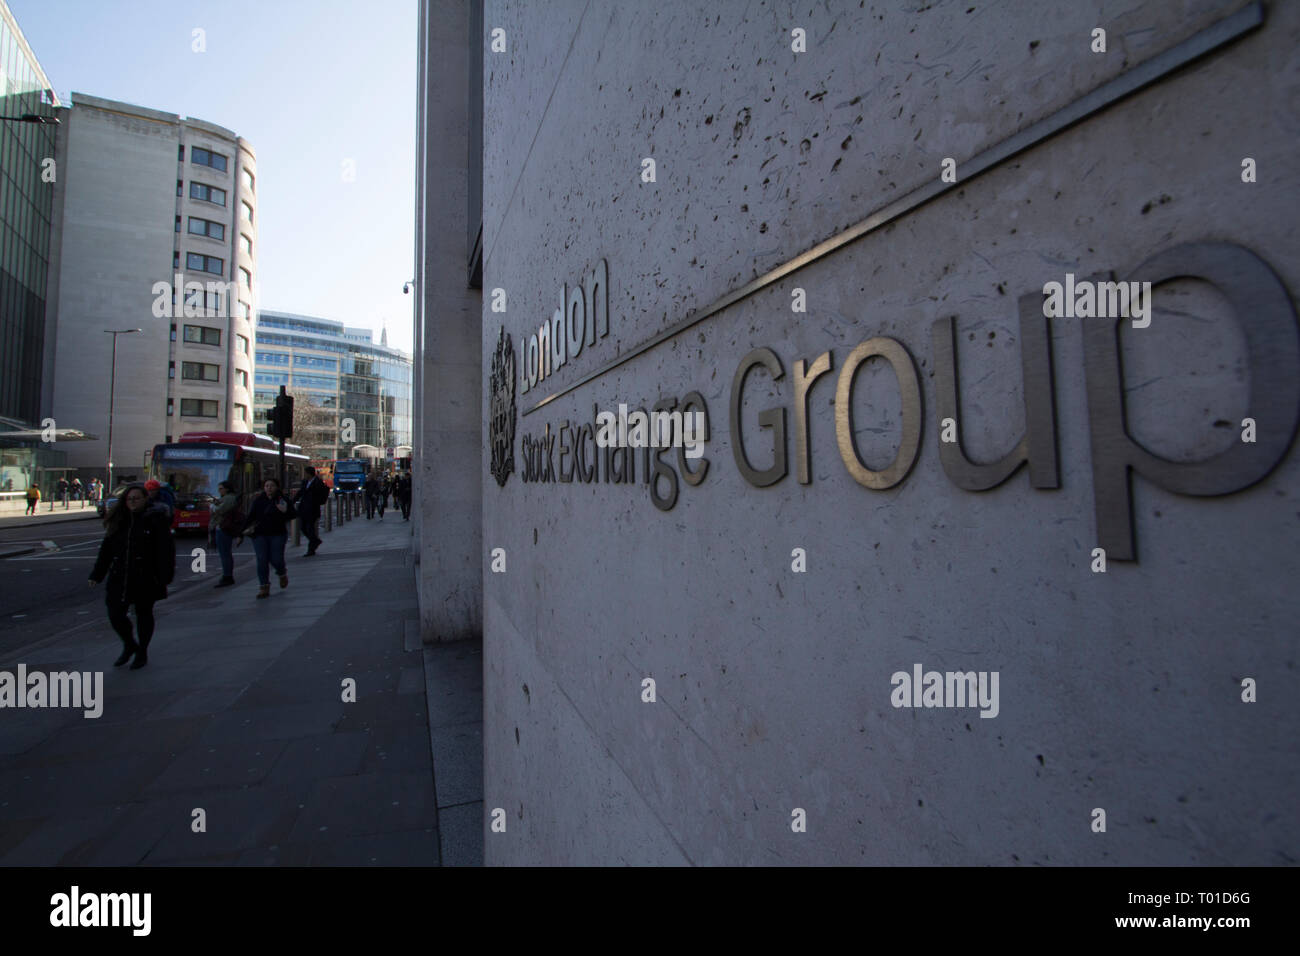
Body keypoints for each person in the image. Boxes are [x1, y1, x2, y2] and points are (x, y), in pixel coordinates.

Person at [88, 483, 176, 669]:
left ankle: (142, 651)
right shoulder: (119, 521)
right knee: (115, 614)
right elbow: (106, 551)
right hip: (120, 576)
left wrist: (165, 575)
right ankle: (130, 644)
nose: (132, 502)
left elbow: (166, 550)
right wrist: (97, 574)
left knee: (144, 614)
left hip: (146, 576)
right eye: (129, 499)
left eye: (136, 498)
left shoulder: (155, 520)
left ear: (145, 499)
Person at [242, 478, 296, 599]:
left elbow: (293, 515)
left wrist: (284, 511)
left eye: (271, 486)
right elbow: (250, 517)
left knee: (276, 559)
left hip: (278, 534)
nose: (269, 488)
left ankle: (282, 573)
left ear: (277, 487)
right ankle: (264, 586)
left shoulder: (282, 500)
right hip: (260, 535)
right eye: (266, 486)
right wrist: (241, 532)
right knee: (262, 560)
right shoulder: (258, 501)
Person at [210, 481, 242, 588]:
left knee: (224, 554)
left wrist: (213, 507)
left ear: (227, 489)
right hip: (223, 527)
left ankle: (227, 576)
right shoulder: (227, 498)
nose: (219, 491)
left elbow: (220, 510)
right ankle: (227, 575)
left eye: (221, 488)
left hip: (223, 528)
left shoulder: (229, 498)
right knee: (225, 553)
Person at [293, 467, 329, 555]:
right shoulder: (305, 482)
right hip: (304, 508)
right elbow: (301, 492)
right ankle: (315, 541)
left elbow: (320, 496)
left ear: (309, 474)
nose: (304, 475)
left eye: (305, 473)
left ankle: (311, 548)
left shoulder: (318, 482)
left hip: (313, 509)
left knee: (310, 528)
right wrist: (293, 501)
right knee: (303, 527)